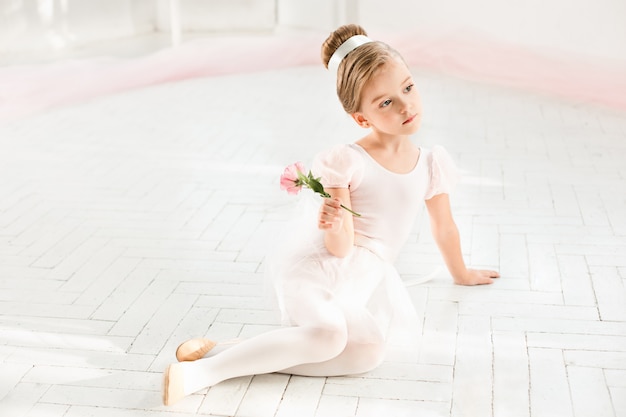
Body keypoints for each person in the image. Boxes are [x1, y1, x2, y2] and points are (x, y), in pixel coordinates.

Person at [162, 24, 500, 406]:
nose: (406, 106)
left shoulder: (431, 163)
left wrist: (461, 273)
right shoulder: (347, 161)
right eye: (386, 102)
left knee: (368, 353)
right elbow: (339, 249)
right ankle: (197, 374)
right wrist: (335, 219)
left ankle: (223, 353)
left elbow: (445, 226)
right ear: (361, 118)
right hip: (320, 273)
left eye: (407, 88)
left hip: (358, 285)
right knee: (329, 336)